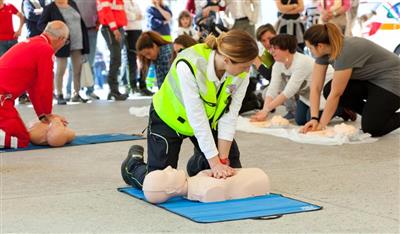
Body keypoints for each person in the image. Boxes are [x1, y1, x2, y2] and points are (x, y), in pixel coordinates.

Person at [121, 30, 259, 189]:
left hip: (206, 120)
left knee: (231, 165)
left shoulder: (241, 74)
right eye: (245, 66)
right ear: (227, 60)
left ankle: (198, 164)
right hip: (169, 119)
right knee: (159, 185)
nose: (248, 71)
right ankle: (131, 166)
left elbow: (229, 116)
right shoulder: (189, 64)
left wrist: (221, 159)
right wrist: (214, 164)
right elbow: (196, 117)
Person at [300, 23, 400, 137]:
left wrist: (321, 126)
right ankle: (375, 115)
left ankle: (376, 117)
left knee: (373, 128)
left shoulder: (345, 51)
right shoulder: (324, 52)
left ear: (320, 46)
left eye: (310, 48)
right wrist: (314, 118)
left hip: (393, 82)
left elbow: (336, 93)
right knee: (328, 89)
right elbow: (316, 87)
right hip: (370, 81)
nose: (310, 51)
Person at [0, 21, 70, 149]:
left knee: (23, 136)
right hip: (2, 99)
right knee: (21, 140)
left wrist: (42, 114)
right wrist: (48, 113)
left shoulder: (33, 42)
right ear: (60, 39)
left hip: (3, 99)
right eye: (66, 42)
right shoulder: (46, 49)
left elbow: (33, 87)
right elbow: (45, 85)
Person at [250, 34, 333, 125]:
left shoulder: (301, 62)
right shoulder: (278, 64)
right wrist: (264, 111)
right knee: (300, 120)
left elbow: (289, 91)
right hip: (307, 95)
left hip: (324, 92)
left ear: (287, 49)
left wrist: (266, 110)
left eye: (276, 48)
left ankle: (342, 109)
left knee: (311, 118)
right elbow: (272, 88)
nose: (272, 51)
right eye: (272, 48)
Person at [38, 0, 90, 104]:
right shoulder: (50, 7)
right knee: (61, 69)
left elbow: (79, 22)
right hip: (61, 43)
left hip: (77, 42)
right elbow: (41, 24)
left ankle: (76, 93)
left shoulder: (72, 3)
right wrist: (53, 34)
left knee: (77, 70)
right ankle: (59, 94)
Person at [142, 166, 270, 203]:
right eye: (166, 174)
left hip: (253, 174)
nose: (169, 168)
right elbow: (218, 189)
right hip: (257, 179)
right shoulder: (204, 191)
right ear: (170, 189)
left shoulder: (195, 183)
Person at [97, 0, 129, 101]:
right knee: (116, 59)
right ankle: (113, 90)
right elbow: (106, 12)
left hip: (117, 28)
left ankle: (114, 90)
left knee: (116, 60)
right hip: (111, 29)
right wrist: (114, 29)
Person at [124, 0, 145, 95]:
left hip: (139, 30)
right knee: (131, 59)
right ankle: (132, 85)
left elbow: (142, 15)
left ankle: (142, 85)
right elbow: (126, 16)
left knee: (142, 58)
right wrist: (136, 16)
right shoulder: (124, 2)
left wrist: (135, 16)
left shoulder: (136, 3)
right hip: (129, 31)